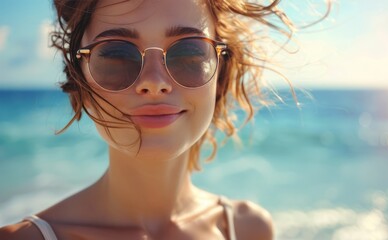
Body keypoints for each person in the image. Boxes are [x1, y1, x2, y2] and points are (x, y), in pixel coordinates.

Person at [0, 0, 330, 239]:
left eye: (188, 52)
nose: (154, 81)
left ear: (220, 72)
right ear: (79, 78)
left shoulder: (247, 230)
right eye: (116, 53)